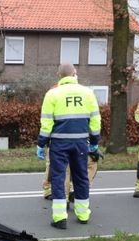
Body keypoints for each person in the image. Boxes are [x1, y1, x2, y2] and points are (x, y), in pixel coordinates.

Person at [37, 64, 102, 229]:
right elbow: (95, 121)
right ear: (75, 73)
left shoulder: (52, 94)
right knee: (81, 177)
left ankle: (60, 218)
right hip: (81, 142)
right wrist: (94, 142)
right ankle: (83, 214)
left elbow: (46, 123)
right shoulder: (88, 93)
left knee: (58, 178)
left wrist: (41, 144)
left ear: (58, 75)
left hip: (59, 143)